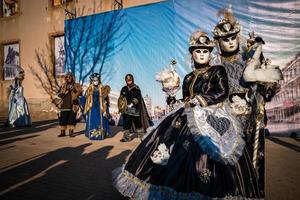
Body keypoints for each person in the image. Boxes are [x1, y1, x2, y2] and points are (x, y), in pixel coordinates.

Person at [113, 31, 262, 199]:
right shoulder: (189, 77)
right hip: (186, 115)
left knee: (213, 151)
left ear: (210, 53)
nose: (201, 54)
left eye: (205, 51)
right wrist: (173, 98)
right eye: (198, 51)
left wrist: (201, 99)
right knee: (167, 146)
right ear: (192, 53)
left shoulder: (217, 70)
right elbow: (185, 98)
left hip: (212, 115)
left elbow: (221, 92)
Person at [213, 10, 281, 197]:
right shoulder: (215, 65)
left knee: (254, 165)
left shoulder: (249, 58)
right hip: (227, 124)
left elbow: (266, 91)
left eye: (233, 37)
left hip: (251, 121)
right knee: (229, 168)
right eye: (225, 39)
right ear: (218, 42)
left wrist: (268, 82)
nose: (230, 42)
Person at [118, 74, 151, 142]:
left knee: (138, 123)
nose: (129, 81)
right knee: (126, 123)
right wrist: (121, 106)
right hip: (126, 109)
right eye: (127, 80)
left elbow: (138, 97)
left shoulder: (136, 88)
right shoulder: (124, 88)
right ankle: (126, 137)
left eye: (130, 80)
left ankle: (141, 136)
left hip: (135, 109)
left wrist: (132, 103)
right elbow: (121, 98)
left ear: (132, 80)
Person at [81, 73, 111, 140]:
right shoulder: (89, 89)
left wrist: (105, 110)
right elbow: (85, 98)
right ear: (91, 81)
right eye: (94, 80)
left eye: (96, 80)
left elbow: (106, 100)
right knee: (92, 121)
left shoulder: (102, 88)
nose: (95, 82)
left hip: (100, 108)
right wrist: (82, 104)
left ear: (99, 80)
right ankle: (92, 134)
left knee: (101, 121)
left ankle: (101, 134)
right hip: (92, 108)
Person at [57, 72, 82, 137]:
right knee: (63, 119)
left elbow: (80, 93)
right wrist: (62, 94)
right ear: (66, 78)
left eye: (70, 77)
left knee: (72, 119)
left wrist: (74, 90)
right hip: (64, 105)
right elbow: (58, 93)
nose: (69, 78)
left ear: (73, 78)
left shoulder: (77, 85)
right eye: (67, 77)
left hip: (73, 105)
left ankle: (71, 132)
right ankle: (62, 132)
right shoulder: (63, 85)